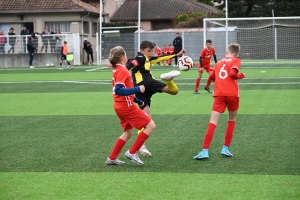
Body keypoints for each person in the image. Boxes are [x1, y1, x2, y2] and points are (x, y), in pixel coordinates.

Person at [127, 40, 185, 157]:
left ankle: (141, 146)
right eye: (148, 51)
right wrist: (123, 69)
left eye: (152, 51)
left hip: (141, 91)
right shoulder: (141, 57)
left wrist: (176, 55)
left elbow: (161, 58)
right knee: (174, 91)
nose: (150, 53)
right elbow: (133, 62)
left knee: (146, 120)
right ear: (142, 50)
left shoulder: (147, 59)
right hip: (146, 84)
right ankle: (169, 80)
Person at [193, 43, 246, 160]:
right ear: (237, 54)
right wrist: (241, 75)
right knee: (231, 120)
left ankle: (205, 150)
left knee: (213, 122)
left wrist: (208, 86)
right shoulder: (236, 60)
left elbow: (212, 76)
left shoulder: (218, 63)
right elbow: (233, 73)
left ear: (227, 52)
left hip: (219, 94)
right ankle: (225, 148)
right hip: (232, 94)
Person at [105, 46, 156, 166]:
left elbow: (124, 89)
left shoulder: (116, 69)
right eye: (126, 55)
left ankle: (112, 158)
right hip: (126, 107)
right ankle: (132, 152)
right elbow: (118, 90)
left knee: (128, 132)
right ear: (122, 57)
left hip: (119, 106)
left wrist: (137, 99)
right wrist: (137, 88)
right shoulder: (122, 70)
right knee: (151, 126)